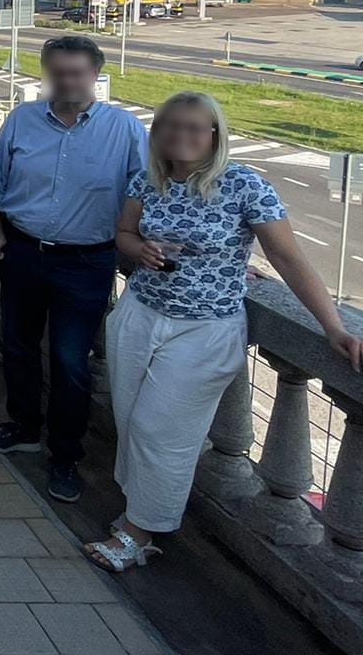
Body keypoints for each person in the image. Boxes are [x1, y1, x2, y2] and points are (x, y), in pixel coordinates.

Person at [84, 91, 362, 573]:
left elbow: (289, 258)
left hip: (206, 330)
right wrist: (141, 249)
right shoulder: (146, 180)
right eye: (171, 126)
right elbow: (123, 234)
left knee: (161, 431)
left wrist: (332, 326)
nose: (181, 135)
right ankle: (138, 510)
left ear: (214, 135)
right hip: (140, 314)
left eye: (194, 127)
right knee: (131, 419)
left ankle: (140, 532)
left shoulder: (244, 186)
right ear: (159, 133)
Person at [0, 35, 148, 504]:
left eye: (75, 72)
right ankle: (24, 428)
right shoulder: (22, 120)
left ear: (95, 74)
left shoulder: (125, 129)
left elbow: (149, 194)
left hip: (87, 261)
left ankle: (66, 456)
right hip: (22, 252)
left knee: (72, 363)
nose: (66, 81)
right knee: (17, 346)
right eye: (57, 72)